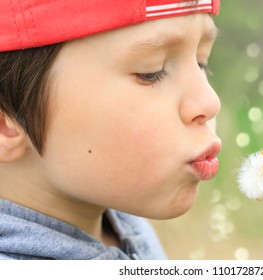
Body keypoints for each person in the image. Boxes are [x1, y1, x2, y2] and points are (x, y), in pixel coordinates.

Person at [0, 0, 221, 260]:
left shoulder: (120, 224)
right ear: (6, 125)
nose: (210, 101)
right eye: (151, 72)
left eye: (201, 63)